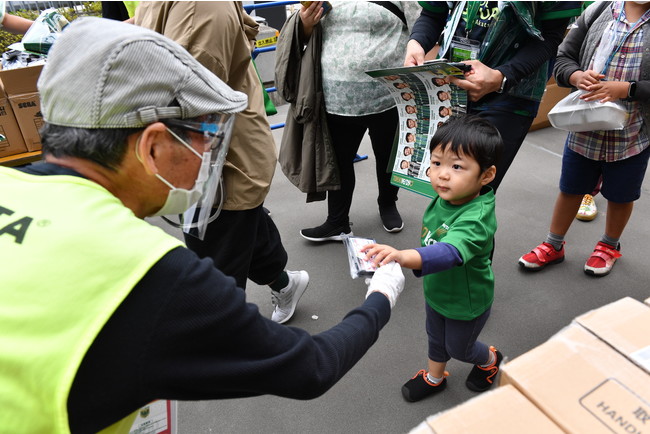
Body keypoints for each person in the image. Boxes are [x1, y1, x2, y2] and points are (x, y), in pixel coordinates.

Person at [0, 17, 406, 433]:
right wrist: (380, 297)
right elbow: (312, 367)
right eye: (207, 135)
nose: (209, 153)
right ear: (153, 146)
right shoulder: (146, 272)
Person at [134, 1, 306, 323]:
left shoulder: (199, 7)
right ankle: (285, 284)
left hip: (215, 154)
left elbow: (187, 97)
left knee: (216, 271)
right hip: (222, 147)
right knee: (240, 228)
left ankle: (228, 355)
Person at [361, 115, 504, 402]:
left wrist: (402, 256)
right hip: (437, 289)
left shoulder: (476, 218)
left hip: (466, 301)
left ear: (486, 176)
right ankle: (435, 377)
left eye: (457, 166)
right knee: (435, 338)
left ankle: (489, 359)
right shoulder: (448, 197)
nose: (442, 174)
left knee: (461, 348)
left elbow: (450, 251)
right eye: (437, 163)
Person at [518, 1, 650, 277]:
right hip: (584, 127)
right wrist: (577, 76)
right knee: (572, 188)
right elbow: (564, 57)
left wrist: (628, 89)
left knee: (621, 194)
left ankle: (608, 246)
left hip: (632, 133)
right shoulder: (599, 10)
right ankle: (553, 244)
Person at [405, 2, 582, 191]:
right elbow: (433, 14)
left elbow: (550, 37)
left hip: (509, 95)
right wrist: (417, 42)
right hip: (453, 84)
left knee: (473, 189)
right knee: (441, 180)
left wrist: (502, 76)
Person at [298, 1, 421, 241]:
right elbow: (305, 35)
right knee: (339, 162)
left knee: (388, 155)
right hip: (336, 97)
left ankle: (387, 203)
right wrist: (305, 24)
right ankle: (337, 221)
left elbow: (423, 31)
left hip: (389, 94)